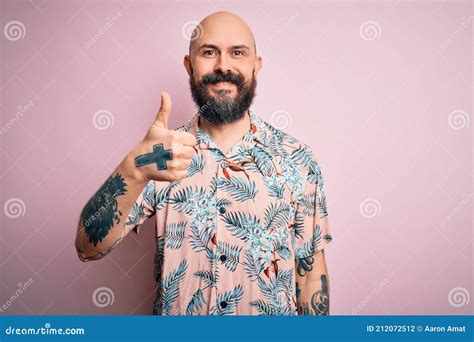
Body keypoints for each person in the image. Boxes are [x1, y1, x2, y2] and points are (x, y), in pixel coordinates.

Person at [75, 11, 333, 315]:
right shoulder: (160, 157)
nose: (223, 65)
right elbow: (87, 247)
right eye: (209, 52)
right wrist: (133, 169)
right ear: (189, 66)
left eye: (237, 52)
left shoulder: (297, 159)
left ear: (255, 66)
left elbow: (310, 273)